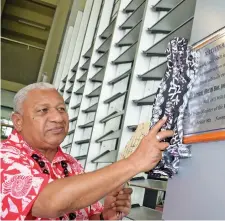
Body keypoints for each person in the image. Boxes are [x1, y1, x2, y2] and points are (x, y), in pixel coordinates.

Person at [0, 83, 173, 220]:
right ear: (18, 121)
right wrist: (134, 162)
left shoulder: (71, 164)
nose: (58, 118)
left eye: (61, 109)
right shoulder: (4, 157)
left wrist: (104, 217)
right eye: (43, 110)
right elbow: (48, 202)